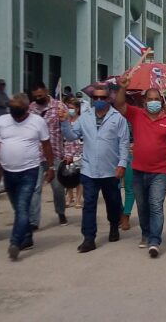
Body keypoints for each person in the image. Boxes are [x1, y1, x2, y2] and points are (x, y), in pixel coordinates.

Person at [114, 75, 166, 259]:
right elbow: (120, 105)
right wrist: (122, 88)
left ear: (161, 101)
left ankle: (155, 240)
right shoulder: (137, 114)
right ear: (144, 101)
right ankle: (145, 233)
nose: (153, 102)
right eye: (150, 99)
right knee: (142, 205)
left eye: (156, 99)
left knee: (155, 205)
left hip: (160, 172)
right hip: (138, 170)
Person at [60, 85, 129, 253]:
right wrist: (64, 123)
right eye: (95, 98)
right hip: (89, 170)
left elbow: (124, 143)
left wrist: (122, 164)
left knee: (112, 202)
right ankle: (88, 238)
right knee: (89, 204)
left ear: (108, 99)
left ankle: (114, 225)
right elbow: (72, 136)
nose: (99, 101)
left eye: (102, 98)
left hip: (110, 170)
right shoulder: (86, 117)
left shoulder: (117, 118)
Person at [0, 93, 53, 261]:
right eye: (11, 106)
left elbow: (46, 145)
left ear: (26, 108)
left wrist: (50, 167)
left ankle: (15, 243)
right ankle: (27, 237)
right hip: (8, 172)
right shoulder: (2, 121)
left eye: (17, 107)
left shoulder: (37, 122)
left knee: (22, 207)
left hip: (29, 171)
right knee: (18, 208)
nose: (13, 110)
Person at [28, 83, 68, 227]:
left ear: (46, 91)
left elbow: (67, 129)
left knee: (57, 187)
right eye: (36, 96)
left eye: (41, 95)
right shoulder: (31, 108)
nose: (38, 98)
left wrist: (69, 152)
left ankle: (61, 211)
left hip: (55, 152)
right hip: (36, 155)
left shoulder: (59, 107)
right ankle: (33, 221)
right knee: (35, 188)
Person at [62, 98, 83, 209]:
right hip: (67, 151)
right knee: (67, 175)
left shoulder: (81, 120)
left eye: (72, 108)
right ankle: (69, 197)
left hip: (78, 152)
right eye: (69, 108)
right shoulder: (65, 121)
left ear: (77, 109)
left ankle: (78, 199)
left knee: (78, 177)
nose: (70, 110)